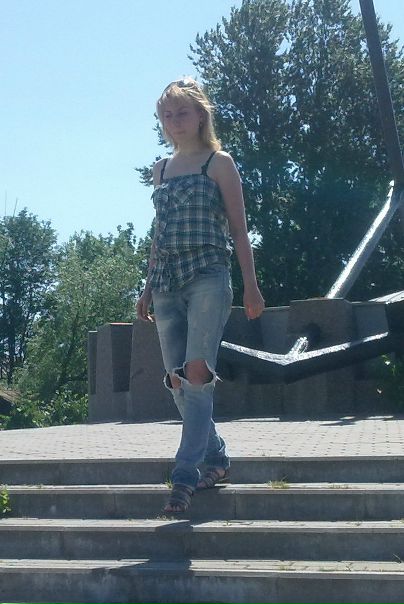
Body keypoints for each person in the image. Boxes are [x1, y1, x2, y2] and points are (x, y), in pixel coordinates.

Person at [136, 77, 265, 514]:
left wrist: (250, 285)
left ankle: (184, 477)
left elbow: (239, 229)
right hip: (166, 282)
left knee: (196, 371)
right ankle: (217, 457)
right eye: (167, 115)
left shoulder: (219, 163)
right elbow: (159, 234)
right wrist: (146, 287)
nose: (174, 121)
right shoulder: (161, 169)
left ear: (200, 115)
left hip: (208, 274)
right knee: (177, 380)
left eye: (182, 113)